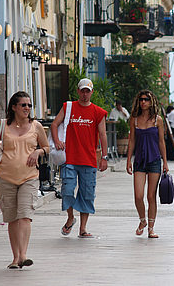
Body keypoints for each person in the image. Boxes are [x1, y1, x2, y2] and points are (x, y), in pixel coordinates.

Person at [0, 91, 49, 269]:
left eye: (29, 105)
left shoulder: (36, 126)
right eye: (23, 105)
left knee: (25, 216)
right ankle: (15, 258)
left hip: (29, 177)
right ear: (14, 107)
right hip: (6, 177)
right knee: (12, 218)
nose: (27, 108)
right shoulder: (2, 126)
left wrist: (38, 151)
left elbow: (47, 147)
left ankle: (23, 254)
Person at [51, 78, 108, 239]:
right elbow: (55, 124)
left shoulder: (98, 112)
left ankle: (83, 228)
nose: (84, 94)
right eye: (82, 90)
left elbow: (103, 135)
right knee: (67, 190)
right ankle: (70, 217)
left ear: (92, 92)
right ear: (78, 91)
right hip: (69, 158)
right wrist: (57, 141)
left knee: (87, 193)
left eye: (87, 91)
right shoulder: (68, 107)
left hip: (89, 159)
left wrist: (104, 157)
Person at [126, 90, 169, 238]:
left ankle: (151, 228)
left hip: (154, 160)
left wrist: (165, 162)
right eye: (141, 100)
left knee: (151, 196)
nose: (143, 102)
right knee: (138, 196)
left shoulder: (158, 120)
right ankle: (142, 220)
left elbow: (161, 142)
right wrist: (128, 160)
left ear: (151, 102)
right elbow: (132, 141)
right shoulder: (134, 119)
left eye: (146, 100)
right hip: (139, 160)